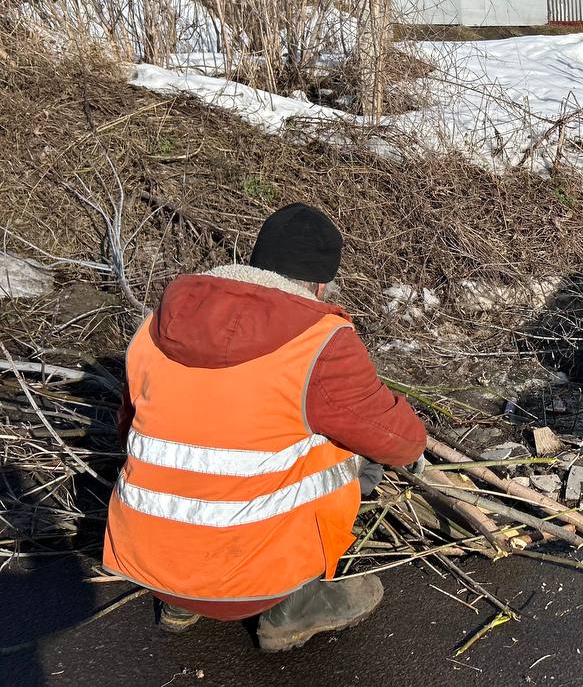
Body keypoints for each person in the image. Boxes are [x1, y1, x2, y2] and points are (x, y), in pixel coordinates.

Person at [102, 203, 427, 652]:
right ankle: (296, 603)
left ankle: (180, 602)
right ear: (318, 282)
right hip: (252, 581)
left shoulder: (156, 326)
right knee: (359, 454)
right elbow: (401, 441)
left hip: (147, 560)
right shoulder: (320, 342)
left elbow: (127, 432)